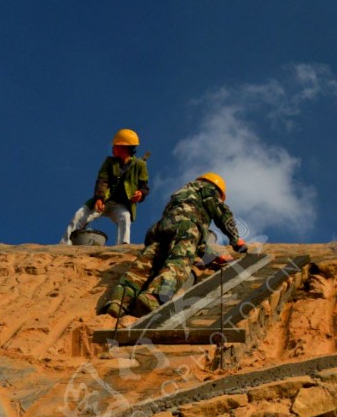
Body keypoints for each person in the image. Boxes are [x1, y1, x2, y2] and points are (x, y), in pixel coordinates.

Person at [97, 171, 247, 320]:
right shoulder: (208, 190)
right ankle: (154, 296)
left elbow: (195, 244)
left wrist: (214, 255)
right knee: (178, 263)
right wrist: (235, 239)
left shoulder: (183, 192)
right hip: (186, 225)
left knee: (146, 264)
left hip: (163, 227)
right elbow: (221, 213)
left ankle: (119, 301)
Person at [62, 129, 149, 245]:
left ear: (124, 147)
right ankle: (65, 244)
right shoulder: (109, 162)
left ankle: (123, 246)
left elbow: (144, 186)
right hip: (104, 200)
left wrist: (140, 193)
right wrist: (99, 198)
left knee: (125, 217)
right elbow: (102, 180)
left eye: (116, 146)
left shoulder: (140, 165)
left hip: (121, 204)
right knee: (80, 215)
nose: (113, 148)